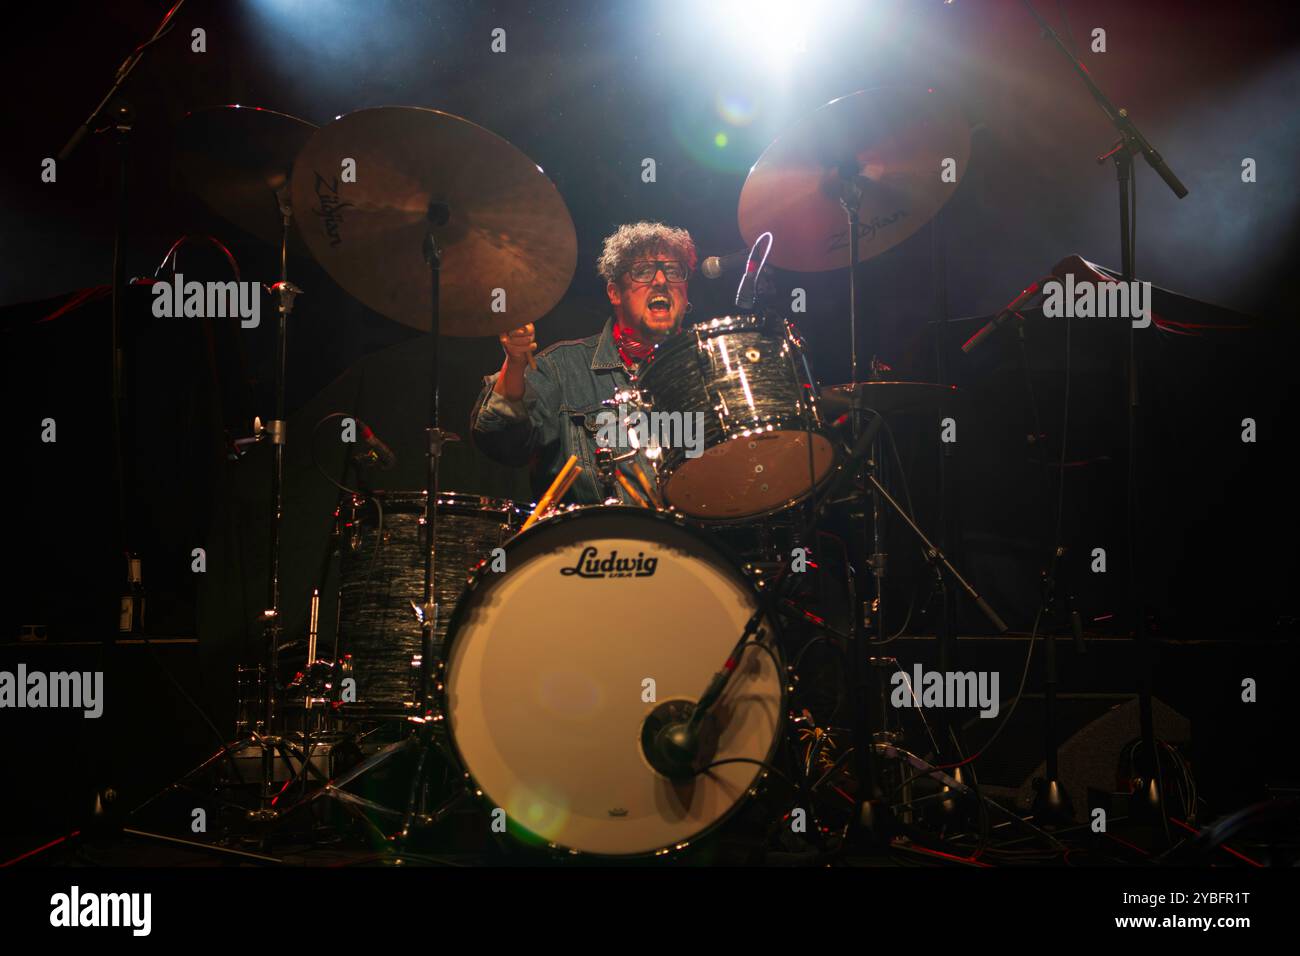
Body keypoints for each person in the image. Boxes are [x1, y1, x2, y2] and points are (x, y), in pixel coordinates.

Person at [470, 221, 696, 504]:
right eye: (643, 271)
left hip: (695, 543)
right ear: (614, 293)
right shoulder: (561, 368)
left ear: (686, 292)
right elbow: (502, 444)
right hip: (596, 545)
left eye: (674, 271)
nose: (661, 280)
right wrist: (514, 365)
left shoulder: (710, 369)